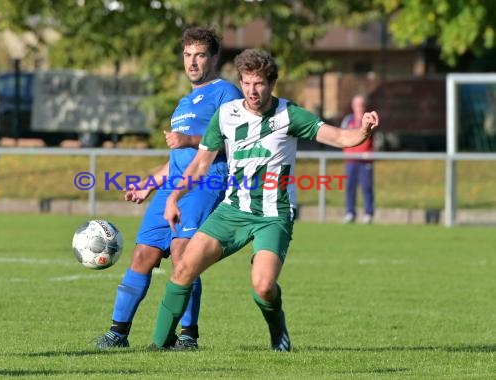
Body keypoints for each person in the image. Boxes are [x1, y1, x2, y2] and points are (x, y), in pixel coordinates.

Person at [151, 49, 379, 351]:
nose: (251, 91)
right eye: (246, 83)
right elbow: (200, 164)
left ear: (271, 84)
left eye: (258, 84)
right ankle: (158, 346)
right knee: (183, 269)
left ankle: (277, 329)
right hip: (232, 212)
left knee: (263, 286)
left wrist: (362, 130)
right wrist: (175, 196)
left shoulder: (290, 115)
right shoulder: (227, 115)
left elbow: (340, 138)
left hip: (273, 215)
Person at [94, 26, 242, 350]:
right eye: (188, 55)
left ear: (213, 58)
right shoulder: (183, 103)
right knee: (142, 255)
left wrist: (189, 139)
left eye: (200, 55)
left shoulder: (225, 93)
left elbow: (233, 140)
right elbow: (176, 159)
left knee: (182, 254)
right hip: (171, 187)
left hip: (205, 183)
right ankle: (118, 333)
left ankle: (187, 336)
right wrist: (148, 184)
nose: (192, 62)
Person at [341, 94, 374, 224]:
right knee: (350, 187)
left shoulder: (369, 119)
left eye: (361, 105)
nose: (359, 107)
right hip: (351, 160)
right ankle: (350, 213)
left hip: (365, 161)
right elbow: (341, 137)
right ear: (353, 106)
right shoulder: (348, 120)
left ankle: (368, 213)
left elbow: (376, 140)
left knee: (366, 187)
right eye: (357, 105)